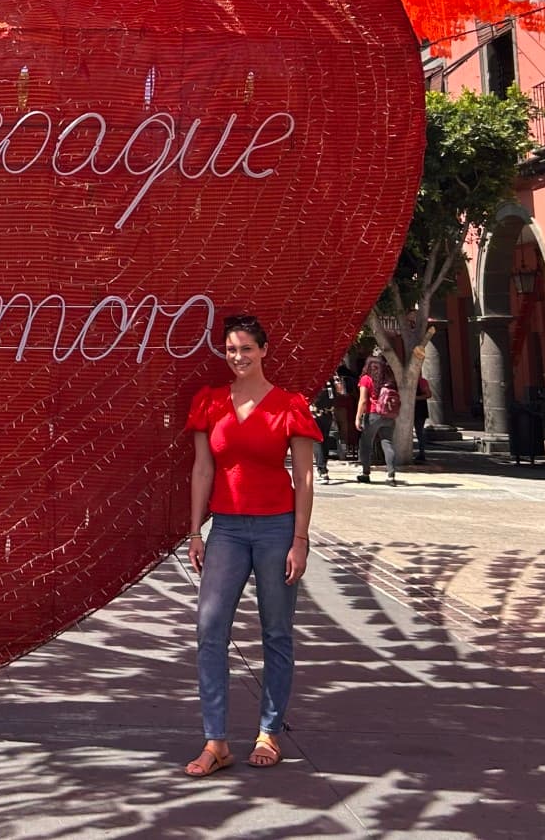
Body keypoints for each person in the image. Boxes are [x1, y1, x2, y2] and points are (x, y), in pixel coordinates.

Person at [182, 315, 321, 778]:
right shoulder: (210, 402)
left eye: (246, 348)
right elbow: (203, 470)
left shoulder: (290, 405)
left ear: (264, 350)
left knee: (276, 632)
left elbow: (303, 477)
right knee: (209, 629)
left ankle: (268, 732)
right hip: (226, 530)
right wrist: (195, 531)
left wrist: (300, 540)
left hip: (277, 528)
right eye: (230, 349)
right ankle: (215, 741)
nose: (238, 357)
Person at [354, 355, 401, 486]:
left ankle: (365, 473)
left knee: (366, 444)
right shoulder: (389, 379)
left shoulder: (366, 379)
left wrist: (358, 417)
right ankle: (391, 475)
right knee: (387, 443)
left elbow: (363, 400)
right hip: (388, 415)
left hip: (373, 414)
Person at [332, 361, 360, 462]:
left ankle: (343, 453)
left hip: (340, 404)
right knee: (350, 429)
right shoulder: (351, 375)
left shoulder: (336, 376)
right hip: (351, 404)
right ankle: (351, 451)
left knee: (341, 430)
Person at [308, 384, 335, 484]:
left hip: (315, 413)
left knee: (317, 441)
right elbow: (336, 395)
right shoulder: (331, 379)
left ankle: (322, 470)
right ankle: (324, 467)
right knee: (324, 440)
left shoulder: (314, 379)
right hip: (328, 413)